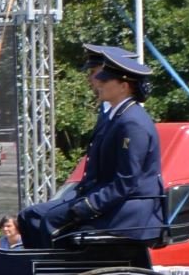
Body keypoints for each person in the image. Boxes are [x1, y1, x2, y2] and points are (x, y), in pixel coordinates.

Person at [17, 45, 163, 248]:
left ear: (124, 86)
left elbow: (126, 181)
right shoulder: (119, 117)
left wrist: (90, 205)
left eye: (105, 79)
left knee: (49, 221)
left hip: (130, 211)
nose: (98, 84)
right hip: (117, 203)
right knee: (30, 217)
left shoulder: (132, 122)